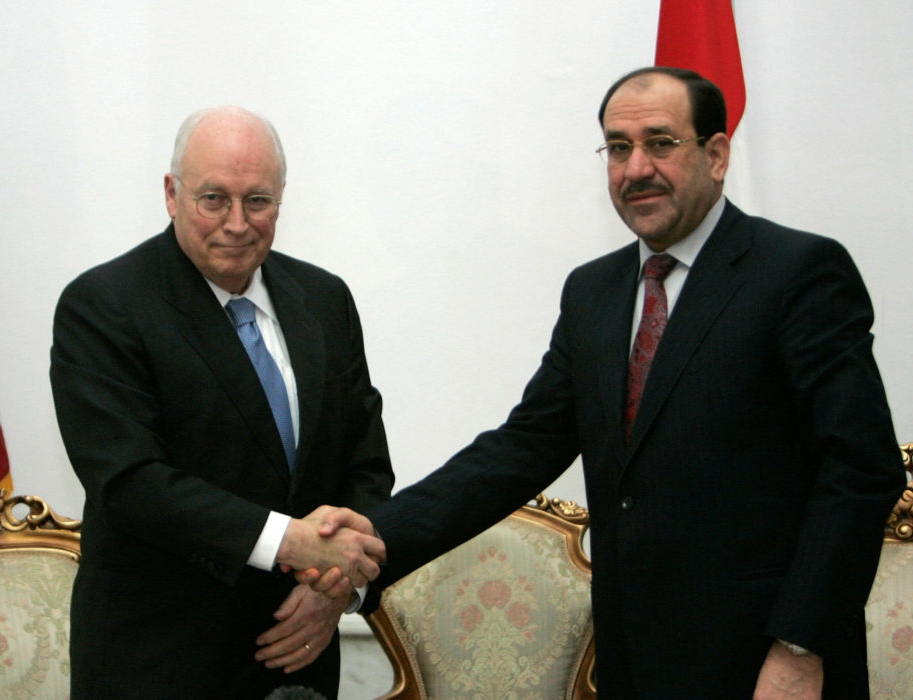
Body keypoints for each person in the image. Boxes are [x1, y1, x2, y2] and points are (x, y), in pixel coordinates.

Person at [307, 67, 906, 699]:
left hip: (769, 668)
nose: (635, 168)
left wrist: (799, 644)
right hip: (634, 664)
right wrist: (374, 539)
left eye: (660, 143)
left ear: (718, 154)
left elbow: (860, 471)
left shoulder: (798, 273)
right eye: (618, 148)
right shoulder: (594, 292)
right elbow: (521, 448)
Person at [50, 105, 393, 699]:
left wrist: (335, 584)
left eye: (257, 201)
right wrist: (292, 541)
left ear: (280, 200)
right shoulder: (104, 306)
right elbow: (131, 482)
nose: (237, 222)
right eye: (214, 198)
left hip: (301, 652)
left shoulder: (324, 299)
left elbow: (364, 465)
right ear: (171, 194)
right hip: (159, 662)